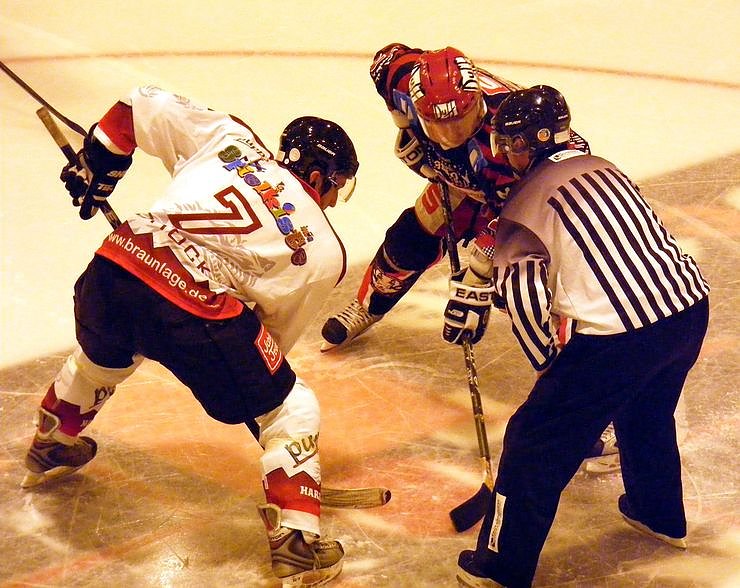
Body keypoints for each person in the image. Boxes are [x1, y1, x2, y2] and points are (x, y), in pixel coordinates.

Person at [20, 85, 359, 588]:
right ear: (317, 178)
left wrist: (99, 162)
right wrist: (257, 396)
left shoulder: (232, 138)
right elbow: (272, 340)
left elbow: (139, 104)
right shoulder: (324, 249)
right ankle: (296, 540)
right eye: (337, 187)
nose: (333, 200)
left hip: (112, 271)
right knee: (291, 407)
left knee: (102, 359)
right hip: (194, 314)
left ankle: (51, 439)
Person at [449, 85, 710, 587]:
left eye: (509, 143)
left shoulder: (524, 203)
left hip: (621, 339)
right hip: (687, 310)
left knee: (532, 440)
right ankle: (658, 514)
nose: (505, 153)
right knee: (646, 412)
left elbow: (524, 297)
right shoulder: (603, 166)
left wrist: (547, 362)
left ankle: (501, 567)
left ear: (528, 142)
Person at [319, 43, 615, 472]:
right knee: (409, 239)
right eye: (438, 125)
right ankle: (369, 305)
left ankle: (591, 406)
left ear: (478, 103)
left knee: (532, 295)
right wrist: (406, 128)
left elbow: (517, 215)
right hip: (470, 184)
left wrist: (479, 268)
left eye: (460, 121)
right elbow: (387, 60)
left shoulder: (513, 141)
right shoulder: (403, 80)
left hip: (528, 206)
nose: (450, 135)